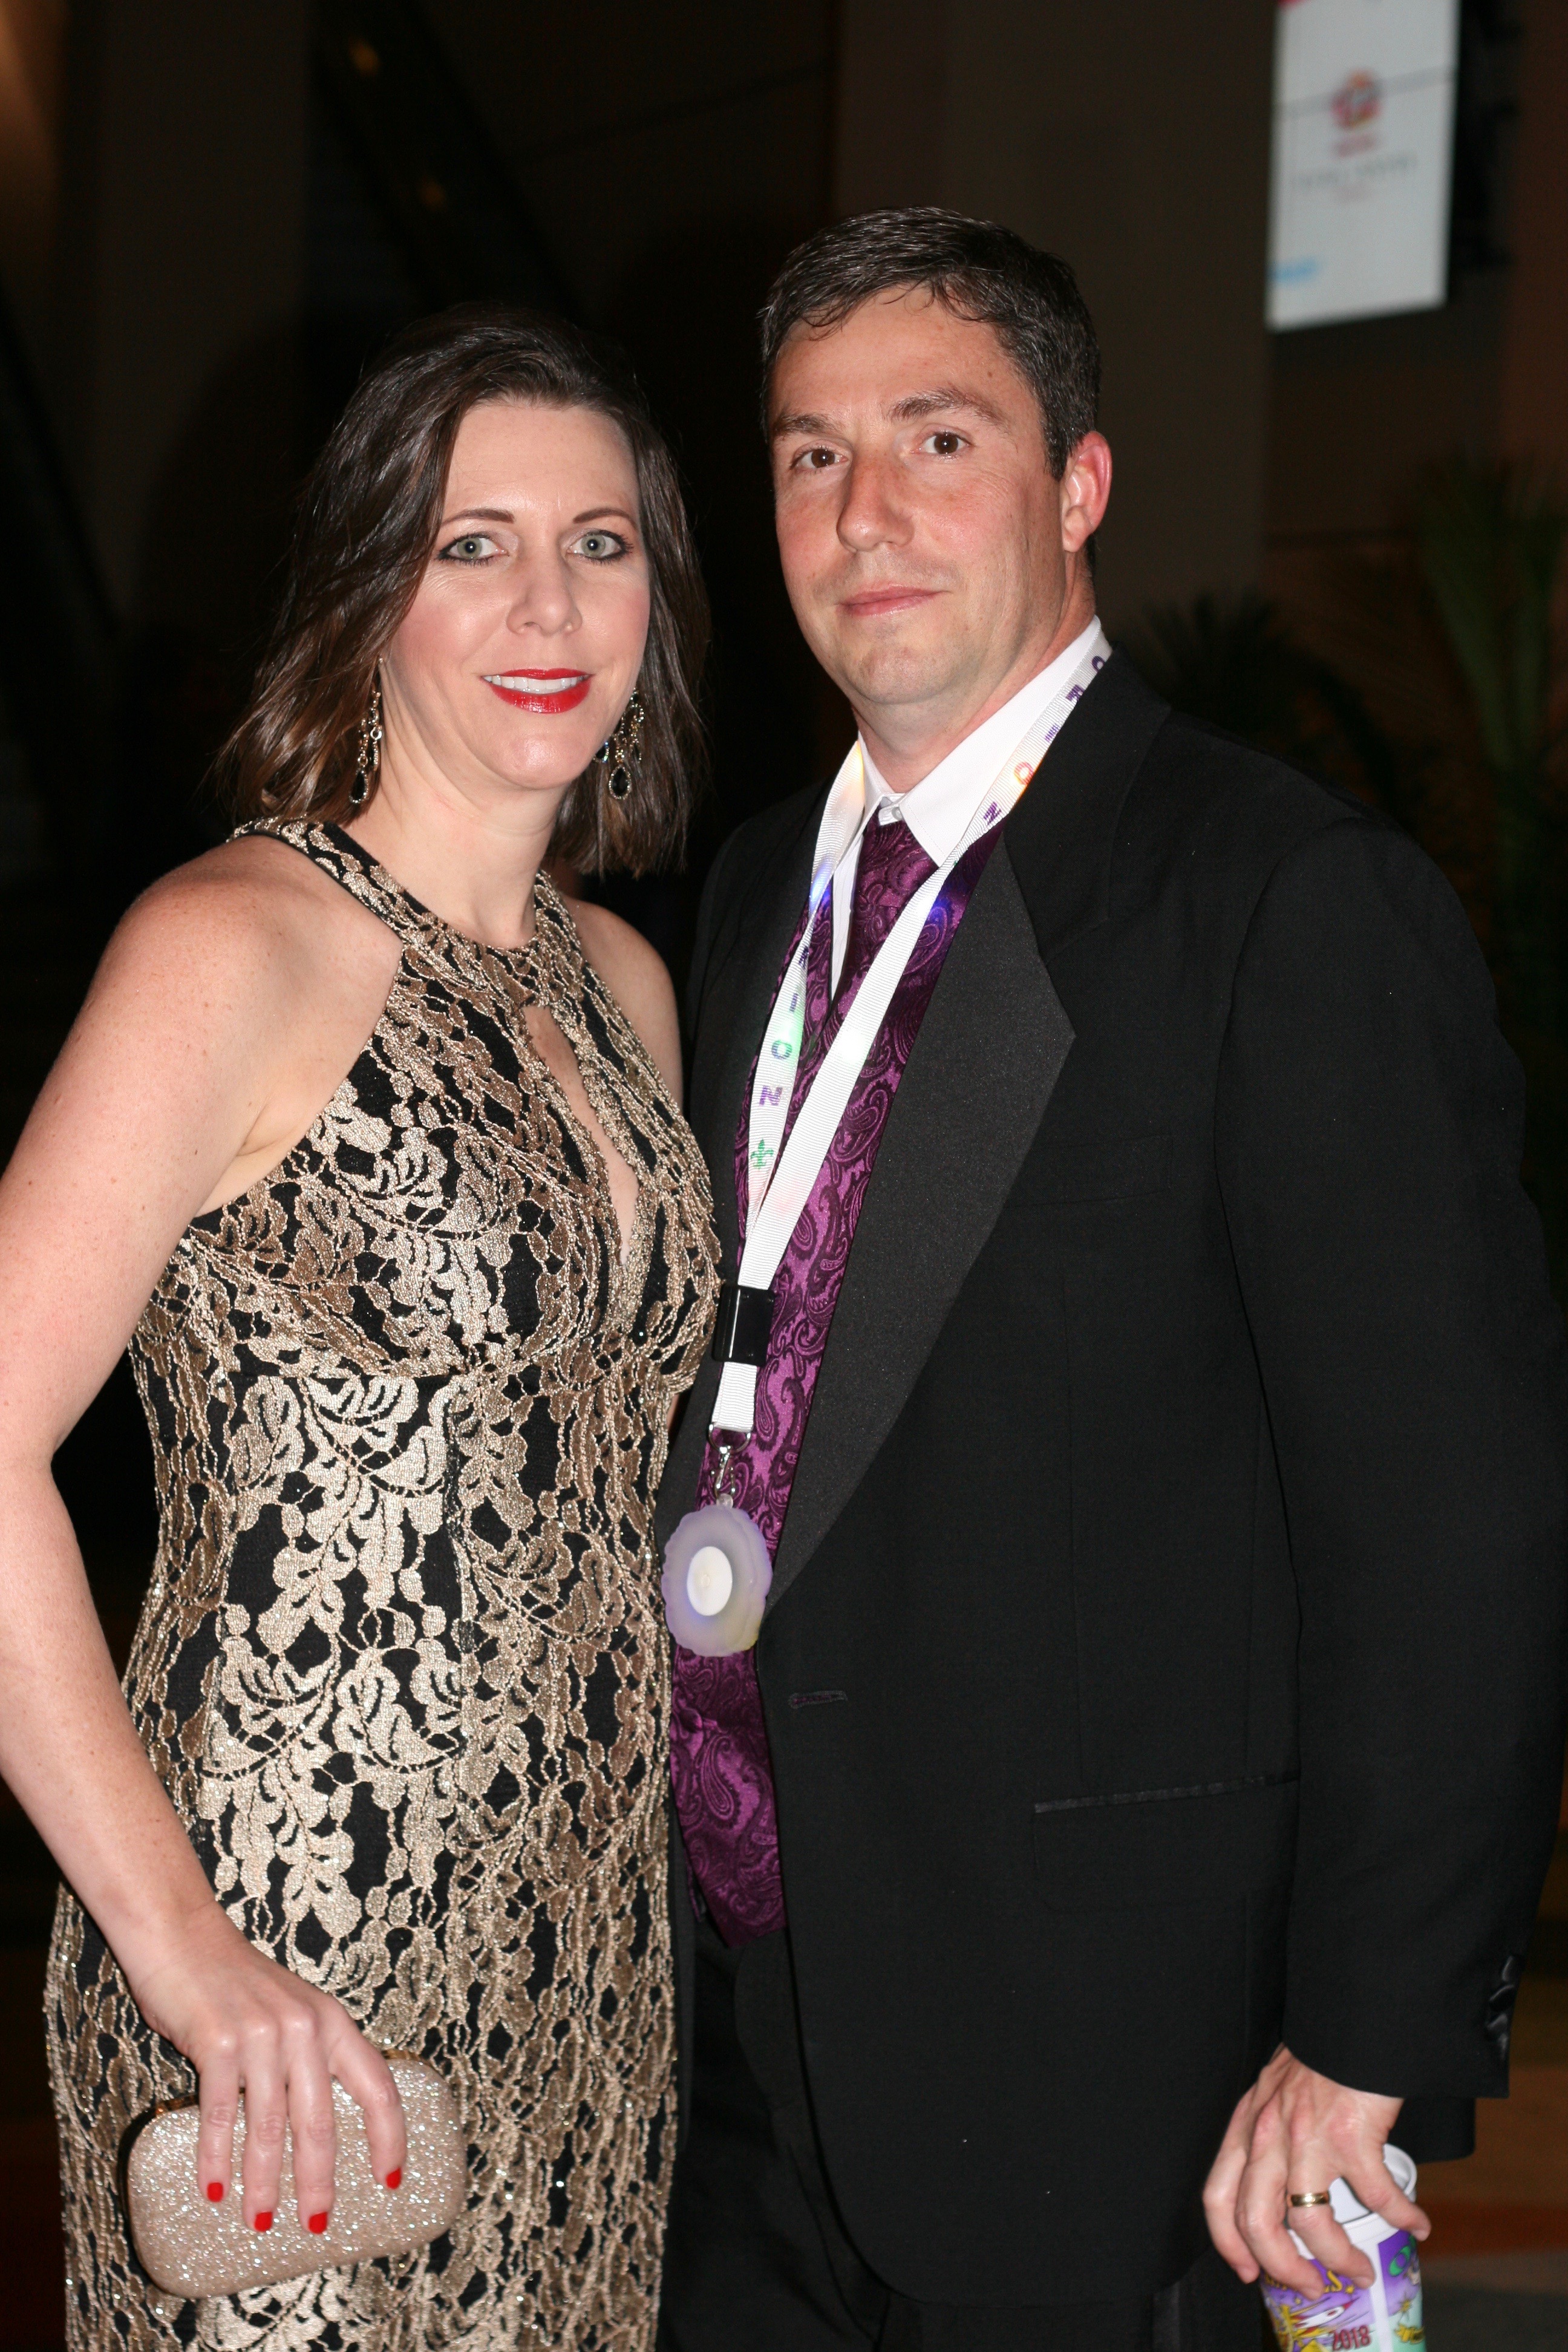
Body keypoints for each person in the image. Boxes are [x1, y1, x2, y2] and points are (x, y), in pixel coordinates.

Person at [654, 209, 1568, 2352]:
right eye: (808, 456)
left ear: (1079, 483)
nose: (863, 515)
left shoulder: (1284, 902)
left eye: (937, 439)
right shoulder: (749, 895)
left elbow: (1451, 1531)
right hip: (736, 2063)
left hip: (1114, 2084)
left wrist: (1364, 2039)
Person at [0, 305, 718, 2350]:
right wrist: (185, 1953)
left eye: (599, 542)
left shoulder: (619, 984)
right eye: (474, 543)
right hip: (289, 1954)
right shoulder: (233, 946)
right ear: (369, 589)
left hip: (588, 1952)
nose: (548, 602)